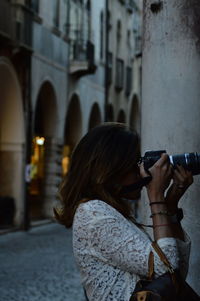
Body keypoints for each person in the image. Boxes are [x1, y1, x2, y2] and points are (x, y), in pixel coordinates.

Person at [54, 123, 192, 301]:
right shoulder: (94, 213)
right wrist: (156, 196)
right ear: (109, 170)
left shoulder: (111, 211)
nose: (141, 172)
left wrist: (170, 205)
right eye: (135, 164)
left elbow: (175, 278)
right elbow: (167, 269)